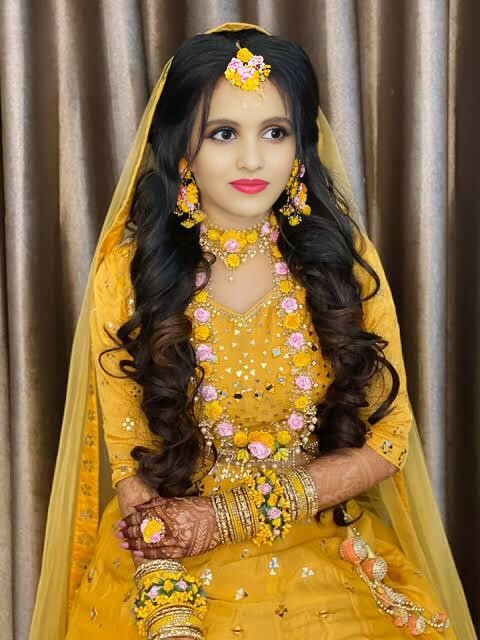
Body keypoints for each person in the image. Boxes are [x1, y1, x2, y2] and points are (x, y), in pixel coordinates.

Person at [29, 22, 475, 640]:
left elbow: (389, 440)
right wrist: (166, 589)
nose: (251, 160)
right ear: (181, 149)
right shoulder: (129, 275)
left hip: (320, 546)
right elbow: (131, 464)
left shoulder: (341, 267)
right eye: (223, 133)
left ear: (301, 147)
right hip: (177, 547)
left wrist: (229, 516)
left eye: (275, 132)